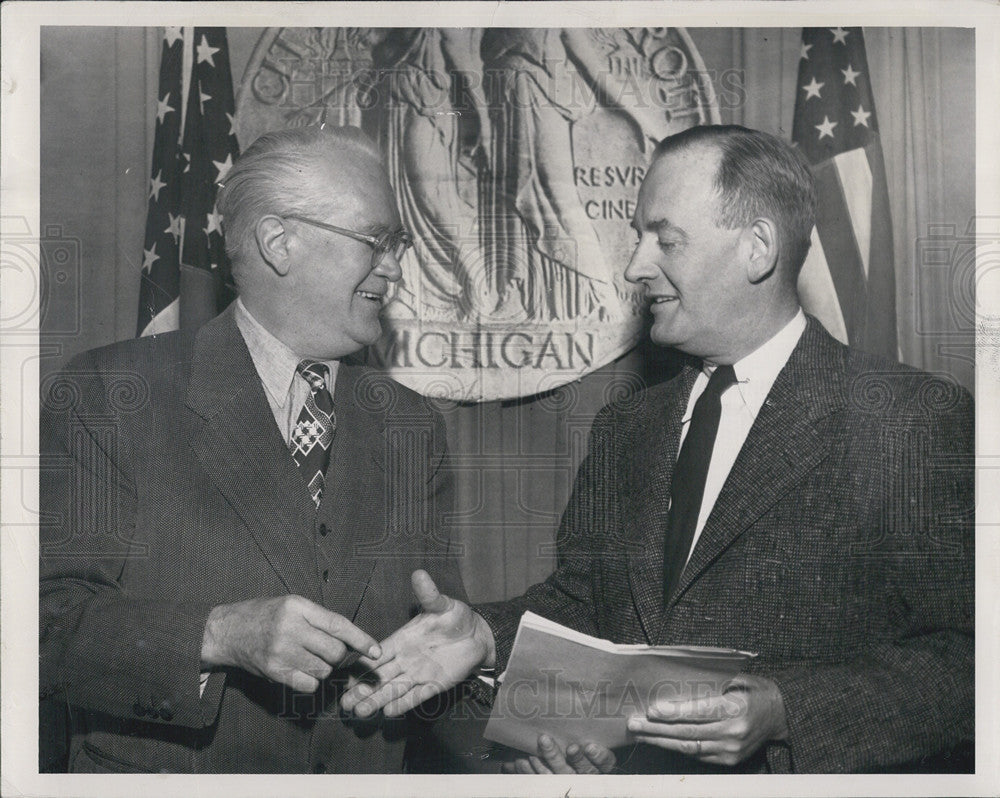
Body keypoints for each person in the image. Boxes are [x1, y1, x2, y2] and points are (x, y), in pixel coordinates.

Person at [339, 125, 975, 774]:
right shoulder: (627, 427)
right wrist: (486, 637)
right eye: (639, 236)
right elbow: (582, 605)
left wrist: (785, 710)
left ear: (757, 249)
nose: (636, 266)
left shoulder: (911, 421)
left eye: (664, 239)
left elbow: (970, 665)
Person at [38, 124, 468, 773]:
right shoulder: (112, 393)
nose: (395, 267)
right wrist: (217, 636)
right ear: (279, 242)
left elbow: (436, 659)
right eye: (378, 241)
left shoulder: (411, 426)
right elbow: (42, 634)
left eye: (398, 244)